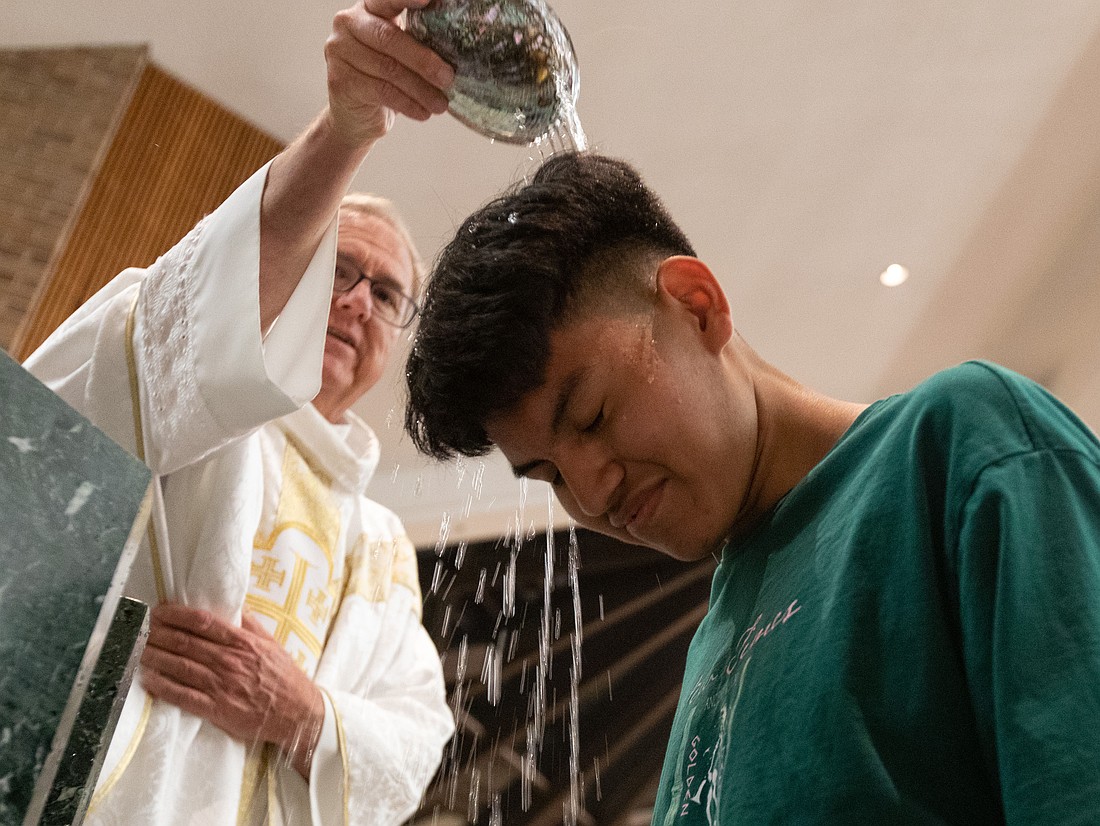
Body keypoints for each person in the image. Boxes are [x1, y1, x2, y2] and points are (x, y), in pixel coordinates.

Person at [404, 152, 1100, 823]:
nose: (590, 494)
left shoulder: (957, 446)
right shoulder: (720, 633)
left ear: (698, 306)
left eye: (593, 416)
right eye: (549, 475)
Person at [24, 1, 458, 823]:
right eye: (336, 266)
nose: (359, 301)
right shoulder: (208, 414)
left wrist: (305, 715)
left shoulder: (379, 545)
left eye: (388, 292)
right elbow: (159, 346)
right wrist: (345, 131)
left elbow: (415, 739)